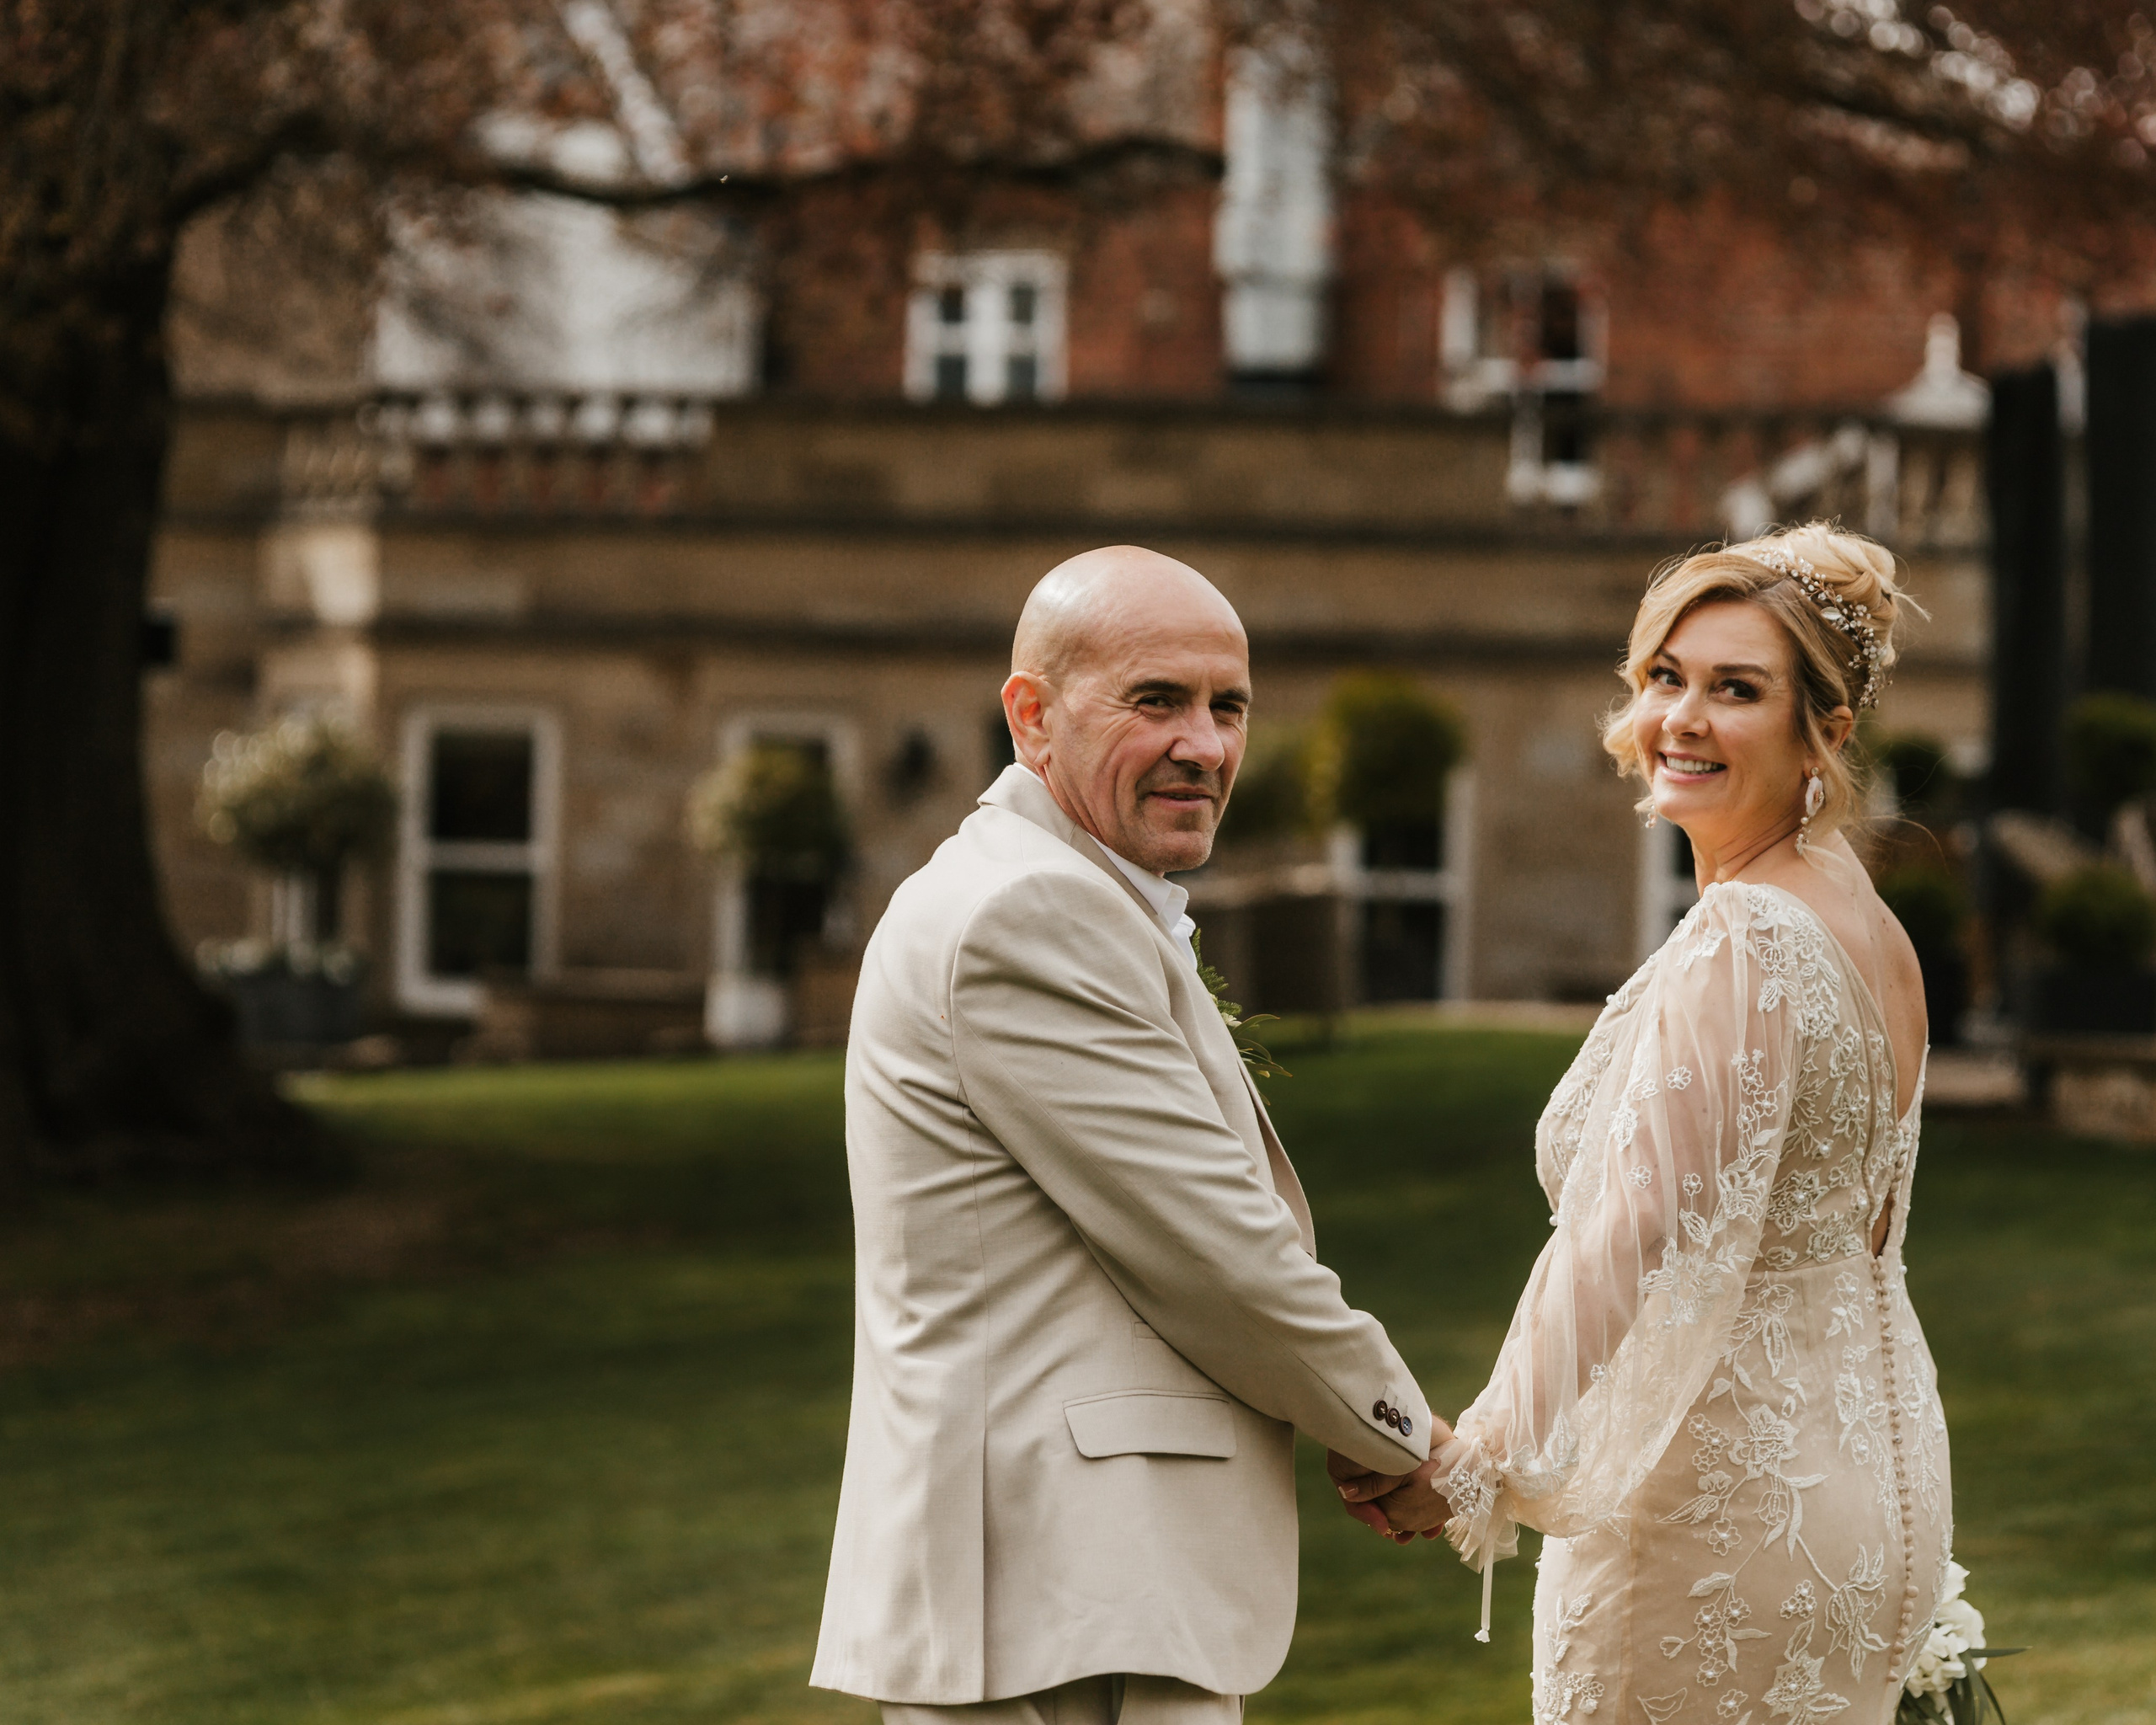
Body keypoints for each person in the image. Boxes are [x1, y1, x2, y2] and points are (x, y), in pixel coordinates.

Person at [812, 544, 1441, 1724]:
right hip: (1063, 1603)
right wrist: (1403, 1437)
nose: (1205, 745)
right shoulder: (1027, 913)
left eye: (1228, 706)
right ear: (1032, 715)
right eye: (1157, 700)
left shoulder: (1056, 890)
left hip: (1075, 1595)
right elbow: (1214, 1251)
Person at [1342, 523, 1955, 1725]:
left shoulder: (1746, 937)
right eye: (1666, 678)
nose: (1683, 717)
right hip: (1873, 1479)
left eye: (1737, 690)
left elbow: (1629, 1230)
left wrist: (1477, 1464)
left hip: (1718, 1509)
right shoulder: (1869, 925)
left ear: (1821, 732)